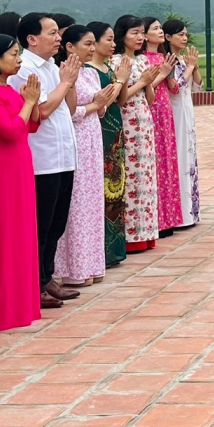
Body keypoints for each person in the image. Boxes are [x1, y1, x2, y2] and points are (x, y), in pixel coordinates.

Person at [13, 13, 80, 310]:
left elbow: (70, 107)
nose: (58, 38)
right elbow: (40, 111)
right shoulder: (24, 69)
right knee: (40, 224)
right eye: (52, 33)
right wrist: (65, 83)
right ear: (31, 38)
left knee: (56, 224)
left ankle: (47, 276)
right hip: (43, 159)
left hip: (64, 155)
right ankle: (35, 283)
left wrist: (70, 83)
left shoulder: (54, 66)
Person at [0, 34, 42, 330]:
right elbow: (10, 130)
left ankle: (20, 305)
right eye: (13, 54)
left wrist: (33, 102)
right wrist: (28, 103)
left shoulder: (11, 89)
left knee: (21, 231)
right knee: (2, 235)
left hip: (19, 164)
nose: (18, 59)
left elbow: (30, 125)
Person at [55, 25, 115, 286]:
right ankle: (71, 268)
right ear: (70, 47)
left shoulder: (89, 73)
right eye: (87, 44)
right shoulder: (63, 74)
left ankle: (91, 264)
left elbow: (99, 109)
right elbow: (67, 111)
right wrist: (95, 105)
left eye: (93, 44)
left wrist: (100, 105)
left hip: (93, 138)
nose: (92, 49)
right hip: (75, 138)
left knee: (91, 201)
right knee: (76, 203)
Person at [113, 16, 161, 253]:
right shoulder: (116, 62)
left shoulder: (142, 61)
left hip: (144, 122)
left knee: (146, 177)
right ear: (122, 35)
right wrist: (142, 82)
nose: (140, 37)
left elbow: (149, 98)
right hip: (127, 124)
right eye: (135, 33)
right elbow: (120, 98)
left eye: (142, 33)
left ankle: (147, 231)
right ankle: (131, 235)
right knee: (131, 178)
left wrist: (148, 82)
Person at [88, 23, 128, 269]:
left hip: (116, 131)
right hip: (100, 130)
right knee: (105, 189)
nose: (113, 45)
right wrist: (121, 80)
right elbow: (102, 102)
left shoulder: (109, 68)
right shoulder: (89, 70)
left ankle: (116, 248)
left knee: (117, 189)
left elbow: (120, 100)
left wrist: (120, 81)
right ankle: (103, 249)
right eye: (109, 40)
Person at [143, 19, 184, 235]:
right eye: (155, 29)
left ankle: (169, 218)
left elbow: (174, 89)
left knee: (167, 161)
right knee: (155, 164)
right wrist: (162, 72)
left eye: (160, 28)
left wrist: (170, 74)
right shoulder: (142, 60)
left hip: (165, 112)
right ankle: (156, 219)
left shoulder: (162, 57)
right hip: (151, 111)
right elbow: (145, 86)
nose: (160, 32)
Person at [163, 18, 201, 229]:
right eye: (180, 35)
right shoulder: (167, 61)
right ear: (168, 37)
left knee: (189, 157)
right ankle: (179, 214)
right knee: (178, 158)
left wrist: (193, 67)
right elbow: (175, 88)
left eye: (186, 35)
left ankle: (190, 211)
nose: (184, 38)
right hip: (174, 114)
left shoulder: (184, 60)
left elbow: (198, 87)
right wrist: (190, 67)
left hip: (187, 113)